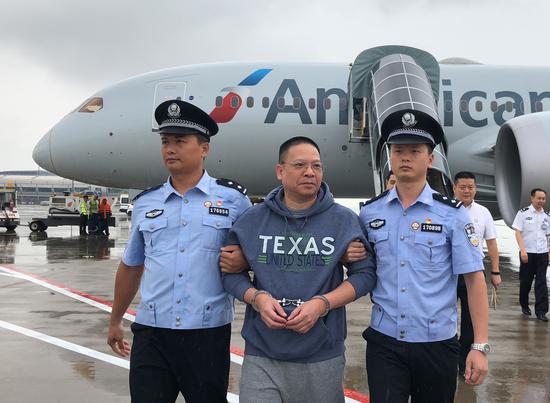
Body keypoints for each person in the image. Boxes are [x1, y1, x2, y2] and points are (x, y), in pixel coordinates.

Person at [107, 100, 252, 403]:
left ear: (204, 149)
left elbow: (255, 257)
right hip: (151, 331)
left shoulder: (234, 200)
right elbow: (132, 265)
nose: (170, 149)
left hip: (207, 333)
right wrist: (115, 320)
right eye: (165, 142)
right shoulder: (147, 203)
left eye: (180, 142)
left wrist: (245, 261)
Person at [221, 136, 376, 403]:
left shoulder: (343, 221)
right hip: (262, 354)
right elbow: (229, 273)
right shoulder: (252, 221)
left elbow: (365, 275)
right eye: (300, 165)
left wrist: (323, 304)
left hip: (322, 355)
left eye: (317, 166)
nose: (309, 172)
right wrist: (256, 298)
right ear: (280, 171)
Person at [359, 112, 489, 403]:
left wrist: (479, 346)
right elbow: (360, 268)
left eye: (415, 151)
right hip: (384, 342)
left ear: (430, 159)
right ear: (389, 157)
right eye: (398, 151)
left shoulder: (453, 215)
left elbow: (474, 280)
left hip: (436, 344)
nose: (406, 157)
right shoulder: (370, 213)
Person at [453, 171, 501, 375]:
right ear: (454, 188)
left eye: (470, 187)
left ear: (475, 188)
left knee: (470, 323)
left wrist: (496, 271)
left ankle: (465, 363)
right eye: (462, 187)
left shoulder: (483, 212)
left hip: (473, 274)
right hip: (448, 274)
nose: (466, 190)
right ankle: (446, 361)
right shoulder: (445, 209)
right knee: (444, 318)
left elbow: (491, 244)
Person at [512, 188, 550, 322]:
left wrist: (549, 251)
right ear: (532, 198)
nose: (541, 201)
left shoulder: (547, 216)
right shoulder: (523, 214)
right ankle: (524, 304)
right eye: (539, 198)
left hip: (542, 253)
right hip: (527, 253)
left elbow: (548, 235)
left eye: (543, 199)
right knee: (526, 282)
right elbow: (518, 232)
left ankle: (541, 311)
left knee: (541, 282)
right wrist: (522, 250)